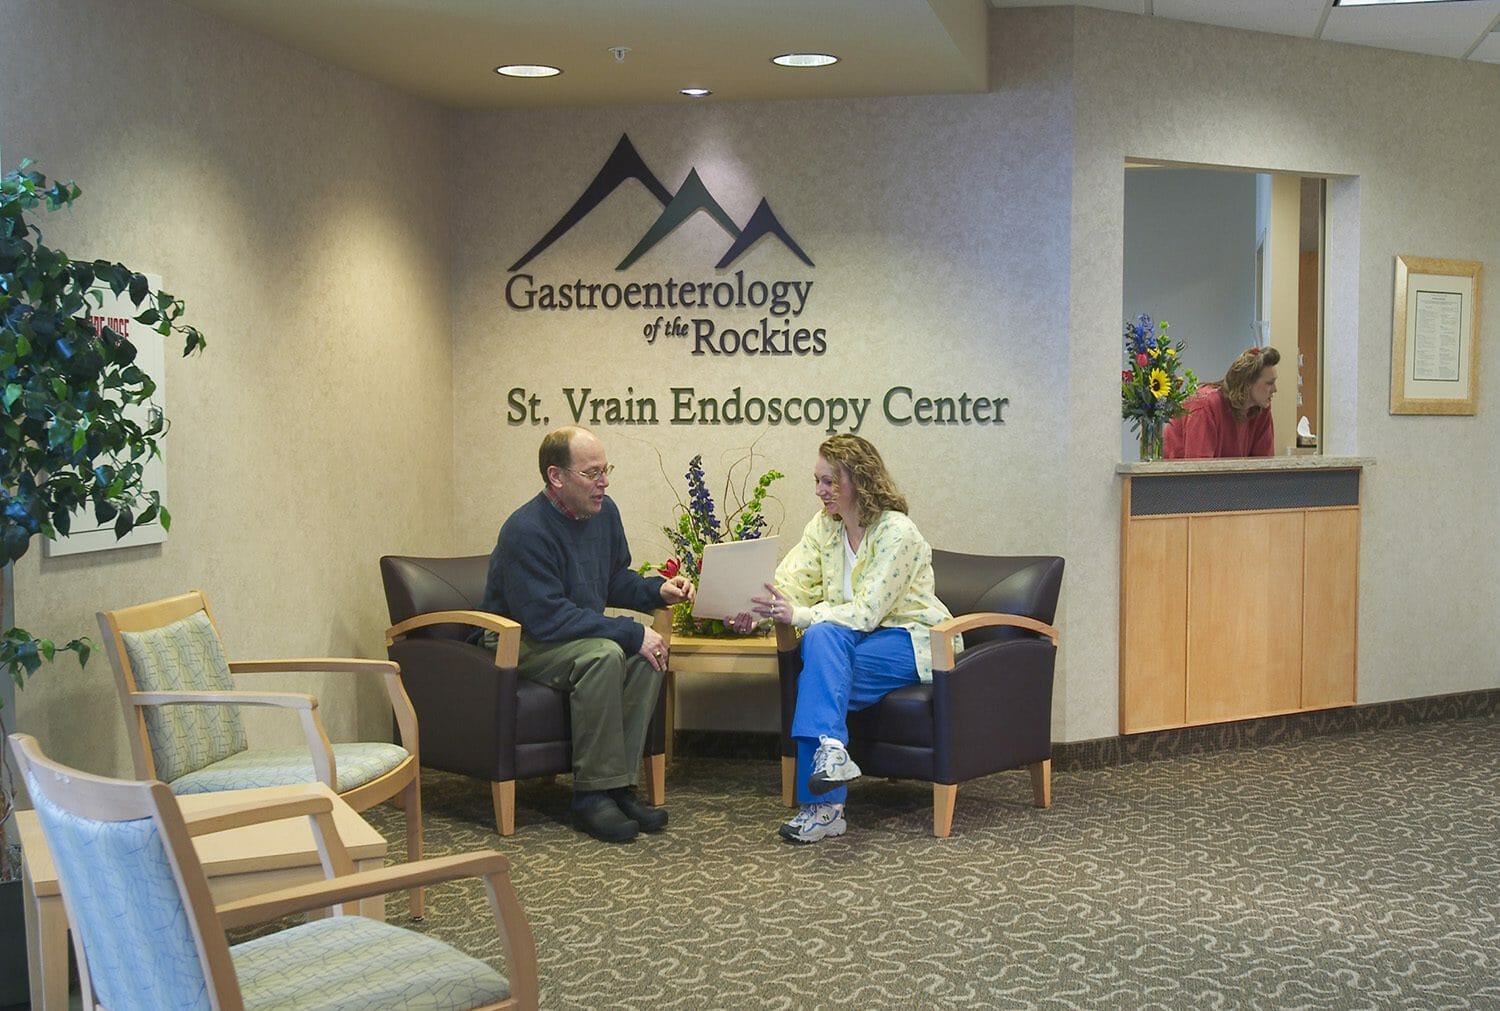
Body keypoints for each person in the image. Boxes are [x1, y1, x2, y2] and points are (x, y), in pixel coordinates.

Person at [479, 426, 695, 843]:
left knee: (649, 656)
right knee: (605, 655)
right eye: (592, 473)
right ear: (556, 476)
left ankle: (617, 786)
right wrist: (630, 633)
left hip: (567, 632)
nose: (604, 482)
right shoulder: (525, 530)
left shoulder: (605, 512)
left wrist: (656, 590)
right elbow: (546, 617)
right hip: (518, 639)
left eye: (605, 469)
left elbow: (614, 579)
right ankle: (591, 797)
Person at [733, 434, 951, 844]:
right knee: (822, 639)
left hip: (910, 637)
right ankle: (832, 753)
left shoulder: (897, 532)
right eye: (817, 481)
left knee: (817, 665)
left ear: (862, 480)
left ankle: (823, 809)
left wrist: (799, 614)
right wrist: (755, 607)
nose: (820, 492)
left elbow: (869, 612)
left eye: (830, 482)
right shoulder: (824, 527)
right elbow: (790, 580)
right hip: (850, 640)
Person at [1164, 346, 1280, 459]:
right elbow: (1198, 470)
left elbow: (1264, 467)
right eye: (1269, 383)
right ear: (1248, 383)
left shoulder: (1261, 408)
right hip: (1177, 476)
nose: (1275, 389)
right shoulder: (1205, 406)